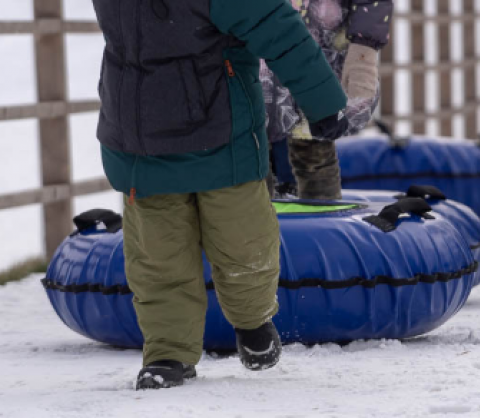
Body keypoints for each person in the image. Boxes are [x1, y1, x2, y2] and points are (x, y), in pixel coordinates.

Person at [90, 0, 349, 390]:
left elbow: (277, 28)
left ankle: (253, 320)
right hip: (138, 137)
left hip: (222, 132)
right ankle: (168, 352)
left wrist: (323, 101)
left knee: (243, 241)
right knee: (158, 257)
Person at [262, 0, 393, 199]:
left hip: (317, 53)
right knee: (252, 155)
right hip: (255, 52)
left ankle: (322, 220)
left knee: (315, 151)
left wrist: (363, 52)